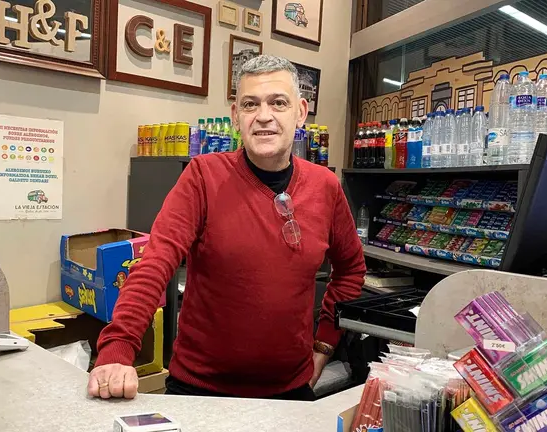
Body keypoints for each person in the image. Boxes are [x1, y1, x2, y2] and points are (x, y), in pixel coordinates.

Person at [88, 55, 366, 401]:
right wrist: (118, 348)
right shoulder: (203, 176)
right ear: (236, 115)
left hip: (290, 391)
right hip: (199, 389)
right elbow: (155, 263)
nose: (264, 116)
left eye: (278, 103)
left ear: (301, 112)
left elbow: (351, 270)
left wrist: (324, 346)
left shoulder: (325, 187)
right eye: (251, 104)